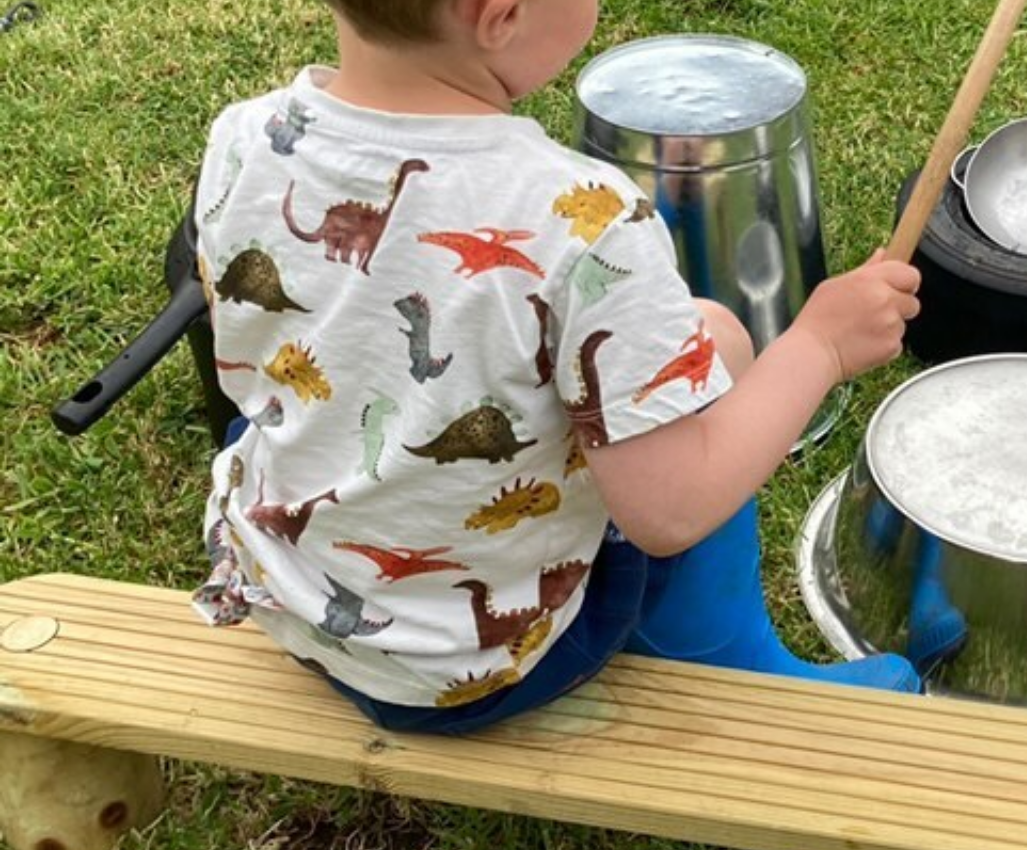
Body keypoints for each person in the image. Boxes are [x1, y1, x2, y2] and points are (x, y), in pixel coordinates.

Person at [189, 0, 925, 734]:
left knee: (716, 337)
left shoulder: (246, 137)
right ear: (501, 16)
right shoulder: (589, 222)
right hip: (474, 667)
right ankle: (724, 653)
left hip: (286, 588)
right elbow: (672, 511)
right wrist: (818, 346)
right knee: (707, 384)